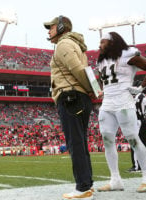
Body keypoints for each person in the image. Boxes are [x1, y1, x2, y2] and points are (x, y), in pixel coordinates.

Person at [96, 32, 146, 193]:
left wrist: (140, 87)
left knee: (132, 138)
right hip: (107, 103)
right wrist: (101, 91)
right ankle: (115, 179)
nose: (99, 45)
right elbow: (104, 81)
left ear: (112, 42)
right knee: (107, 140)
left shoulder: (127, 55)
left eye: (102, 42)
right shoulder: (102, 61)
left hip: (123, 102)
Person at [44, 15, 94, 199]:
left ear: (62, 27)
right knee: (80, 143)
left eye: (51, 27)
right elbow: (85, 71)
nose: (49, 31)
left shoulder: (64, 45)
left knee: (75, 143)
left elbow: (78, 70)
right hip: (78, 97)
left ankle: (82, 187)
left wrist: (92, 90)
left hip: (71, 97)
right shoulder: (75, 45)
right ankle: (87, 184)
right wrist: (91, 90)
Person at [127, 81, 146, 172]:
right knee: (144, 145)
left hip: (138, 122)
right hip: (143, 121)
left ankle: (137, 166)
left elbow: (134, 111)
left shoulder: (137, 97)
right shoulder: (144, 96)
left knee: (135, 144)